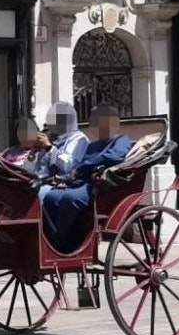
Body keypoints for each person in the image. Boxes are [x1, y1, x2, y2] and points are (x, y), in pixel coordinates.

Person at [41, 104, 131, 255]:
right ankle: (53, 240)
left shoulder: (121, 140)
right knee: (51, 196)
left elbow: (113, 156)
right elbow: (76, 167)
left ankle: (58, 243)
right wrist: (65, 179)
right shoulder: (92, 145)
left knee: (70, 198)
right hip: (81, 182)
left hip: (100, 185)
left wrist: (85, 167)